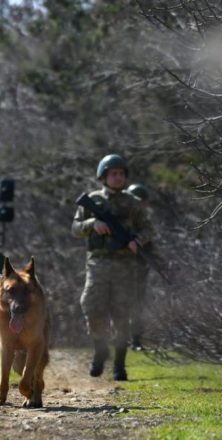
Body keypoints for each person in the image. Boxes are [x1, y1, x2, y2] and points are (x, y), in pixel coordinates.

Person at [71, 154, 154, 381]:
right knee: (91, 306)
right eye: (113, 174)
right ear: (103, 176)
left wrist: (137, 241)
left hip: (125, 265)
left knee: (121, 314)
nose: (118, 178)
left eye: (121, 174)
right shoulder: (93, 200)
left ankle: (119, 365)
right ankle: (100, 349)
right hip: (97, 263)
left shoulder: (133, 203)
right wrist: (92, 224)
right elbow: (75, 228)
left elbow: (148, 229)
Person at [125, 183, 157, 352]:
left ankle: (136, 339)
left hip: (139, 268)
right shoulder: (121, 219)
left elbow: (150, 240)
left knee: (138, 305)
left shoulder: (145, 223)